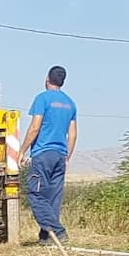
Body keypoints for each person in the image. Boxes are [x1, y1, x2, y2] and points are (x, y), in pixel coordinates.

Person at [21, 65, 77, 244]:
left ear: (47, 79)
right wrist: (67, 156)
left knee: (35, 194)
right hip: (60, 155)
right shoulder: (70, 103)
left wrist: (22, 151)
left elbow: (35, 127)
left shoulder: (42, 98)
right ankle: (46, 238)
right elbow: (73, 134)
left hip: (43, 154)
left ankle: (58, 232)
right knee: (53, 198)